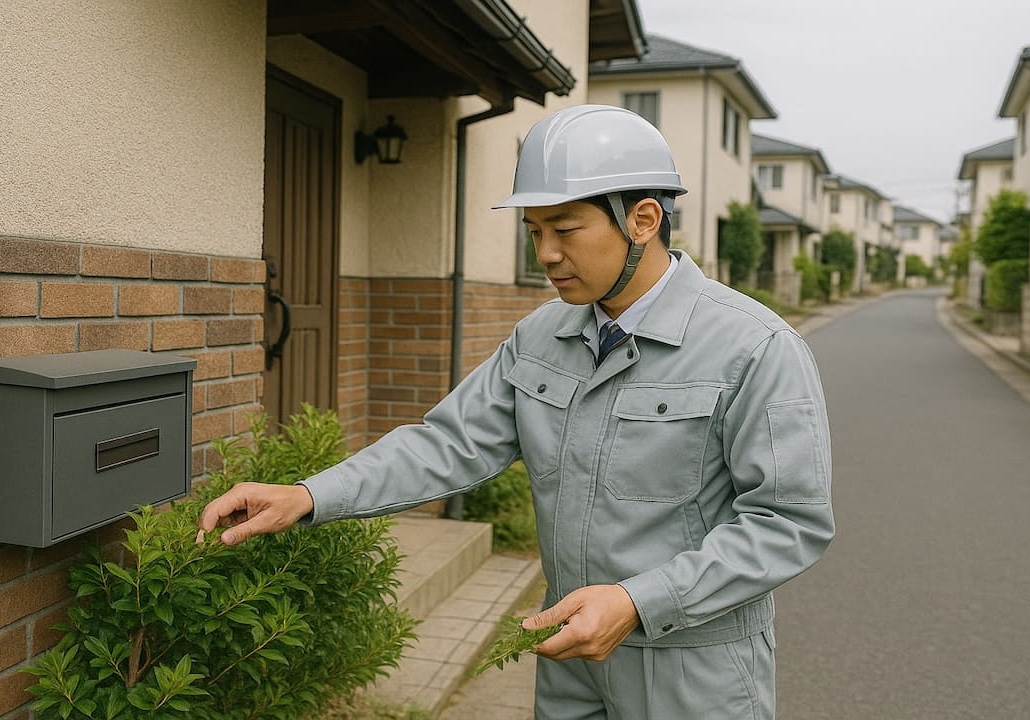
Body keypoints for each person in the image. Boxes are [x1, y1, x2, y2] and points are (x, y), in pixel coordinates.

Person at [197, 104, 834, 719]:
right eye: (534, 231)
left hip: (693, 666)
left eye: (565, 229)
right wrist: (307, 495)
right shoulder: (541, 338)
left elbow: (788, 522)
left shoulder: (755, 348)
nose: (546, 254)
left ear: (643, 220)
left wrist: (638, 602)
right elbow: (444, 444)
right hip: (570, 655)